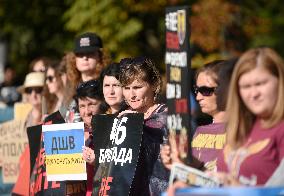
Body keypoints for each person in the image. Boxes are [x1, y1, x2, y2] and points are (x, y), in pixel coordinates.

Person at [216, 47, 284, 186]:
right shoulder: (240, 126)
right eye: (246, 86)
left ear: (280, 82)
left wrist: (240, 189)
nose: (254, 94)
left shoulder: (281, 129)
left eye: (260, 84)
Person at [162, 60, 228, 173]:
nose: (198, 97)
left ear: (227, 89)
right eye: (196, 90)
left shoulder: (243, 131)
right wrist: (180, 161)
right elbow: (196, 173)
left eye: (205, 90)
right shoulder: (200, 131)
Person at [119, 57, 169, 196]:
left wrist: (135, 124)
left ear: (154, 85)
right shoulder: (124, 116)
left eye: (137, 87)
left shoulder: (166, 116)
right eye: (126, 88)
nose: (132, 95)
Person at [65, 32, 110, 123]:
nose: (85, 57)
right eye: (80, 54)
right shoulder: (71, 88)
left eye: (90, 53)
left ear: (100, 56)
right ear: (74, 58)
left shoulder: (108, 87)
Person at [74, 79, 104, 196]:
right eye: (82, 106)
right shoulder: (75, 133)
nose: (86, 111)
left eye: (91, 104)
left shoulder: (114, 129)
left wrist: (98, 161)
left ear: (102, 103)